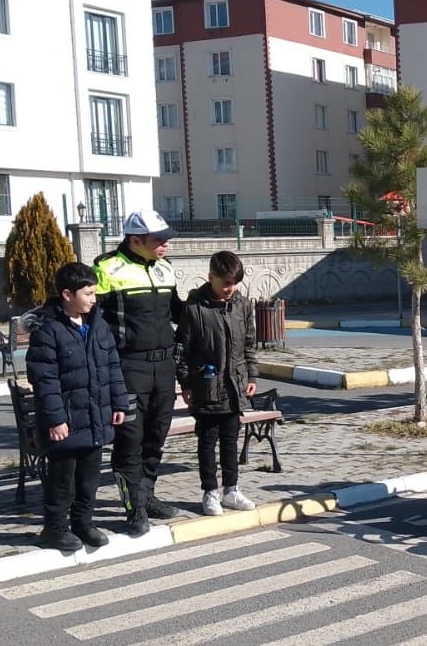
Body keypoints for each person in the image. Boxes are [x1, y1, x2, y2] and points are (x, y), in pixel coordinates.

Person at [24, 262, 129, 553]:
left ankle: (83, 523)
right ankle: (55, 529)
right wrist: (57, 420)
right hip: (67, 421)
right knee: (63, 480)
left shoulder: (97, 324)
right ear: (67, 295)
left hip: (96, 418)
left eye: (94, 292)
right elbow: (44, 380)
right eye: (88, 293)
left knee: (89, 478)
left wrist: (119, 403)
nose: (94, 299)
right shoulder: (48, 329)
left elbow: (112, 367)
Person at [94, 209, 185, 536]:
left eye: (166, 238)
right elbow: (94, 323)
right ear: (135, 240)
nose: (166, 244)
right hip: (128, 366)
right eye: (158, 239)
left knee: (155, 437)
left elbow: (179, 312)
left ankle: (147, 496)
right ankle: (133, 509)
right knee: (129, 440)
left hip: (163, 367)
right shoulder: (106, 268)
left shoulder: (165, 269)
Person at [176, 251, 260, 516]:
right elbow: (182, 351)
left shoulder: (243, 305)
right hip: (206, 387)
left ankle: (231, 489)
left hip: (235, 386)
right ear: (210, 277)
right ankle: (210, 492)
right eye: (225, 283)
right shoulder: (194, 308)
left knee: (230, 440)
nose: (230, 289)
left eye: (234, 283)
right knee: (207, 442)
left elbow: (249, 344)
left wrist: (252, 376)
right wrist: (187, 383)